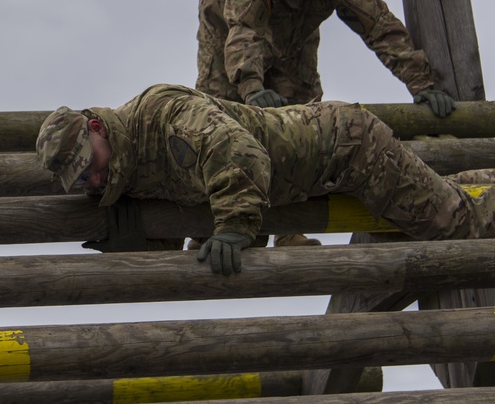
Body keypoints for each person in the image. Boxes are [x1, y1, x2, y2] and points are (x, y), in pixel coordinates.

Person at [35, 83, 494, 276]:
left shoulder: (162, 114)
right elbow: (180, 212)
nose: (91, 179)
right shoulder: (126, 164)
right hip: (318, 177)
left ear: (95, 128)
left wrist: (234, 229)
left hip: (346, 147)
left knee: (457, 227)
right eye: (80, 179)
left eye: (87, 163)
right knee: (437, 203)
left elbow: (240, 153)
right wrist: (134, 245)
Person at [195, 0, 456, 249]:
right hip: (227, 32)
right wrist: (251, 88)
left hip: (296, 34)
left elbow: (376, 24)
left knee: (303, 118)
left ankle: (289, 229)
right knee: (222, 118)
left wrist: (421, 84)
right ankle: (210, 226)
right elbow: (244, 32)